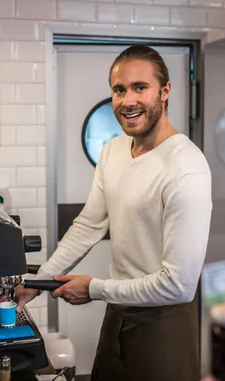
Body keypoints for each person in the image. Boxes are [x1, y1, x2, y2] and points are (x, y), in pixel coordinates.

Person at [11, 45, 212, 380]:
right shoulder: (113, 150)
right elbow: (89, 224)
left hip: (164, 322)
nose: (127, 101)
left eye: (140, 87)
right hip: (118, 313)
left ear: (165, 91)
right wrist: (40, 280)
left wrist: (95, 289)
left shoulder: (186, 168)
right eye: (119, 90)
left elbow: (179, 285)